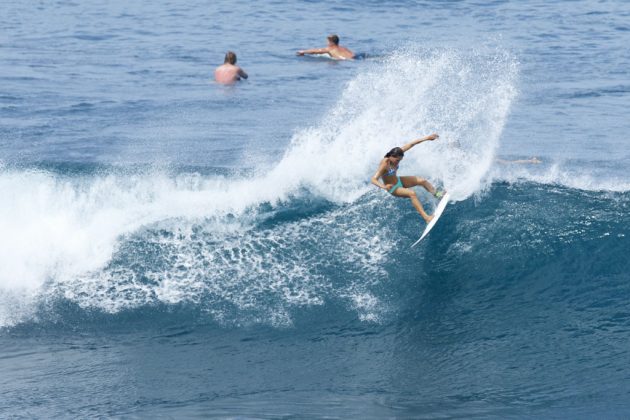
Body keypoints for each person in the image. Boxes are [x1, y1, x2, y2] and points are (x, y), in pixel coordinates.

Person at [371, 133, 444, 223]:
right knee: (412, 193)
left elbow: (411, 144)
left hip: (398, 180)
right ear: (391, 156)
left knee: (422, 181)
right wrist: (384, 187)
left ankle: (438, 195)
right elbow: (373, 179)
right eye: (397, 160)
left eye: (400, 160)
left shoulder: (397, 153)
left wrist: (426, 138)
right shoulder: (385, 164)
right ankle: (426, 218)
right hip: (393, 188)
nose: (398, 163)